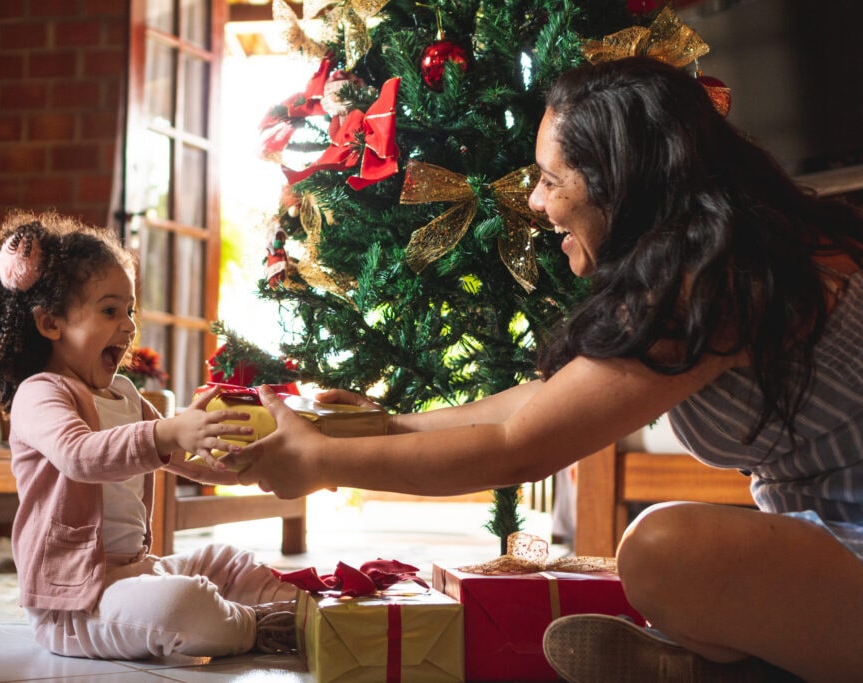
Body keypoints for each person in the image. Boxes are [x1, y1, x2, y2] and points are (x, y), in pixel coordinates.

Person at [229, 56, 863, 682]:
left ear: (621, 181)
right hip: (827, 538)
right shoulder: (712, 253)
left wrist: (321, 463)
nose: (534, 201)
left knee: (661, 552)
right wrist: (380, 428)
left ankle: (717, 669)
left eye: (550, 179)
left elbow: (518, 449)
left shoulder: (712, 279)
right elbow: (538, 402)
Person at [0, 209, 298, 661]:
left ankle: (302, 609)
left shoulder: (124, 392)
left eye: (129, 310)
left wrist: (245, 467)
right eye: (110, 310)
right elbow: (81, 455)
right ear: (51, 323)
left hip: (134, 574)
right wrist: (170, 430)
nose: (129, 326)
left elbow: (178, 457)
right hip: (75, 604)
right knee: (182, 604)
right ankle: (258, 624)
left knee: (225, 559)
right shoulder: (39, 394)